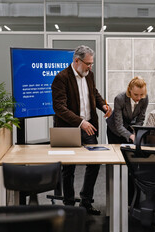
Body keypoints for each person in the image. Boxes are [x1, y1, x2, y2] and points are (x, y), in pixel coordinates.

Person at [51, 45, 112, 215]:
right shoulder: (61, 78)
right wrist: (80, 122)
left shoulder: (88, 75)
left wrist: (103, 105)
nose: (90, 67)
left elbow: (94, 93)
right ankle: (69, 205)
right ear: (76, 61)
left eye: (92, 64)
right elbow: (60, 108)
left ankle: (86, 201)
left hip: (88, 127)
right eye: (88, 63)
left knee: (94, 163)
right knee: (68, 168)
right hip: (68, 129)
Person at [106, 76, 148, 144]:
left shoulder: (145, 98)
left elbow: (140, 119)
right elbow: (119, 125)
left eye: (141, 94)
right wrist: (131, 136)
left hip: (129, 127)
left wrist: (135, 133)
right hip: (115, 130)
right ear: (129, 90)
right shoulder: (119, 99)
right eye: (136, 94)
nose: (139, 98)